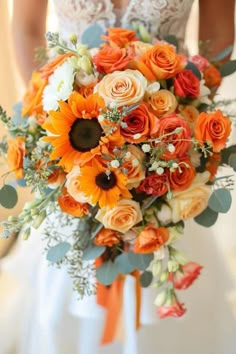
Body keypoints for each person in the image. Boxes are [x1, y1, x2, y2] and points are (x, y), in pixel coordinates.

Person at [1, 1, 235, 354]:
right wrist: (46, 117)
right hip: (73, 142)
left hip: (170, 148)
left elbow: (218, 30)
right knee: (67, 299)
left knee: (167, 277)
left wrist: (187, 121)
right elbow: (27, 28)